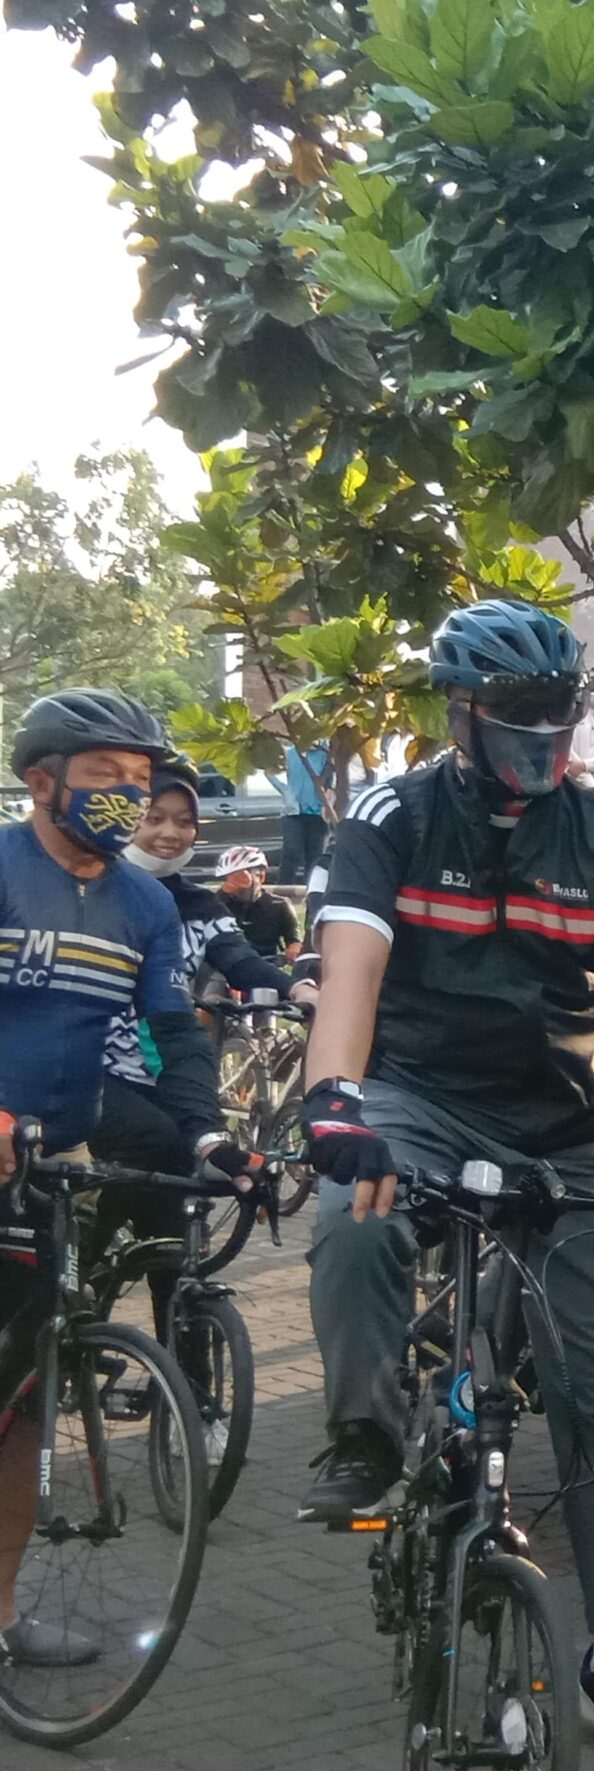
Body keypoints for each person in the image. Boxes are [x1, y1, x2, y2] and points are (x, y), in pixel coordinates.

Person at [296, 600, 594, 1771]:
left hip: (563, 1121)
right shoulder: (391, 815)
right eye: (516, 721)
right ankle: (363, 1430)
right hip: (416, 1094)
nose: (541, 742)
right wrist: (334, 1097)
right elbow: (351, 970)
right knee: (351, 1222)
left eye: (560, 719)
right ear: (462, 713)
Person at [0, 692, 253, 1669]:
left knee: (22, 1406)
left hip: (50, 1167)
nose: (128, 795)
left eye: (140, 779)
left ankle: (4, 1615)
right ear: (41, 782)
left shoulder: (144, 905)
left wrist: (203, 1136)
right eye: (106, 775)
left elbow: (174, 1030)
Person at [91, 759, 318, 1253]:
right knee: (150, 1148)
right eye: (154, 818)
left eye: (185, 821)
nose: (170, 833)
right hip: (89, 1072)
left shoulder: (198, 905)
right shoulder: (92, 892)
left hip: (167, 1069)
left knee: (175, 1245)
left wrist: (298, 990)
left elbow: (238, 958)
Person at [216, 845, 301, 960]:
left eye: (242, 876)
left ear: (261, 876)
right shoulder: (217, 904)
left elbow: (294, 939)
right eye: (231, 877)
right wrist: (225, 893)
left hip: (266, 964)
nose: (237, 882)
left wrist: (294, 949)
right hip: (225, 965)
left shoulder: (279, 905)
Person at [280, 737, 332, 884]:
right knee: (291, 852)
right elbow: (270, 773)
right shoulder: (290, 753)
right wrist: (284, 791)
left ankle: (311, 890)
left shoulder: (327, 755)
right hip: (294, 813)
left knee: (315, 855)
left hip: (318, 814)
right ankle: (283, 888)